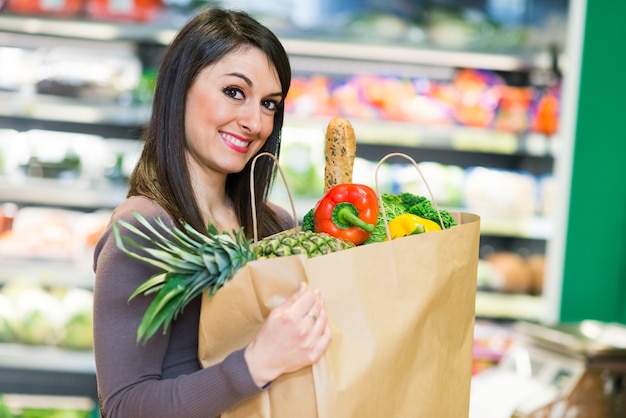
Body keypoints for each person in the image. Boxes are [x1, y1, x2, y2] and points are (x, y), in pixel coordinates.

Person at [92, 7, 332, 418]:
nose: (255, 122)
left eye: (270, 104)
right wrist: (257, 363)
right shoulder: (144, 231)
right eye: (234, 92)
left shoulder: (276, 225)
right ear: (179, 87)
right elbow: (125, 407)